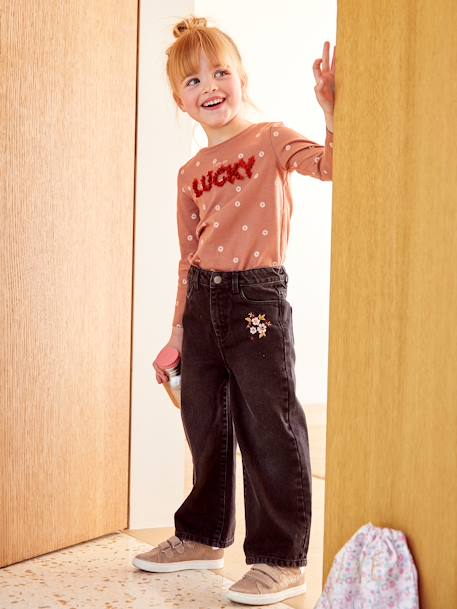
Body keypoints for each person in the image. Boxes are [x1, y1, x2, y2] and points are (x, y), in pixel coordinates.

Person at [133, 15, 335, 606]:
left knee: (268, 425)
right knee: (204, 422)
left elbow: (331, 165)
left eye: (220, 71)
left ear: (241, 77)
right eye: (194, 81)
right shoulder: (190, 172)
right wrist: (177, 333)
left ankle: (279, 558)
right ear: (181, 100)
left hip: (256, 300)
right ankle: (200, 536)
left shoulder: (271, 138)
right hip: (203, 303)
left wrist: (328, 109)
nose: (210, 85)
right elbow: (186, 258)